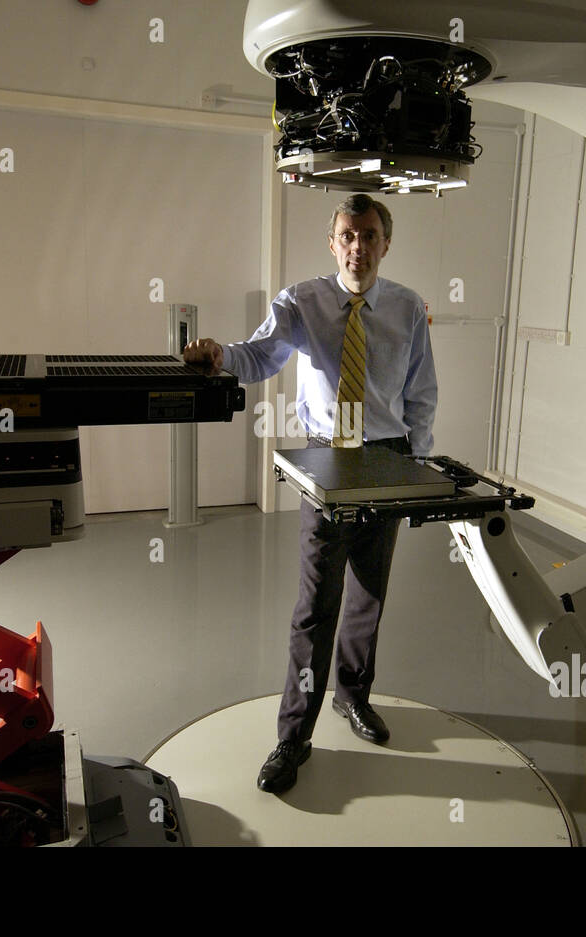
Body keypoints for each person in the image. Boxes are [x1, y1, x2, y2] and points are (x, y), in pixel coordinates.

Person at [184, 193, 436, 794]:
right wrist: (218, 357)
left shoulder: (406, 308)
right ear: (333, 243)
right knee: (315, 604)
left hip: (389, 458)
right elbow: (257, 356)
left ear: (385, 243)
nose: (358, 246)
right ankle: (293, 738)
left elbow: (421, 394)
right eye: (348, 235)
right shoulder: (302, 301)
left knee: (369, 593)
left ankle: (353, 697)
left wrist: (419, 470)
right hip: (327, 458)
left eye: (370, 235)